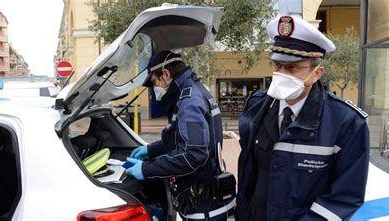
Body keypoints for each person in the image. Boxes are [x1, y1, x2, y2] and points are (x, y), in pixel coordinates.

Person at [235, 15, 370, 220]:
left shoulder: (347, 123)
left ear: (317, 73)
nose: (281, 74)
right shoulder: (257, 107)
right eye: (277, 66)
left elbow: (344, 197)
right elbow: (249, 176)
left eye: (291, 68)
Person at [125, 50, 234, 220]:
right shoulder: (193, 91)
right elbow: (180, 138)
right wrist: (150, 150)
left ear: (166, 74)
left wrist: (147, 169)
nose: (155, 90)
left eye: (155, 82)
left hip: (204, 206)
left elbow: (193, 154)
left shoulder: (189, 101)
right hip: (206, 199)